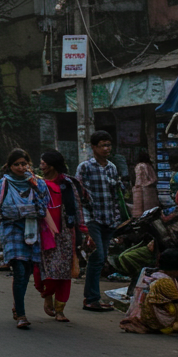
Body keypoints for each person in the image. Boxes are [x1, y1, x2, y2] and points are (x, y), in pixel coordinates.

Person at [0, 149, 49, 330]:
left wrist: (35, 185)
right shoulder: (4, 183)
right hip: (11, 228)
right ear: (10, 166)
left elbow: (44, 203)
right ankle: (22, 314)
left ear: (29, 165)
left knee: (27, 269)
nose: (20, 167)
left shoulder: (37, 182)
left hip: (31, 227)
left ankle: (17, 305)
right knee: (18, 268)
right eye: (16, 164)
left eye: (23, 164)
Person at [33, 151, 85, 324]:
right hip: (43, 232)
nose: (41, 166)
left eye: (43, 163)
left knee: (64, 272)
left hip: (65, 233)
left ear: (51, 166)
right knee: (44, 269)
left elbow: (77, 206)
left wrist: (82, 228)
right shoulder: (37, 184)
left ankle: (60, 310)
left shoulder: (67, 184)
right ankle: (47, 294)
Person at [75, 130, 121, 313]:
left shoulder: (112, 168)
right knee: (97, 257)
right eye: (103, 145)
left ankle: (92, 297)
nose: (106, 149)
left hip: (109, 219)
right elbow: (79, 196)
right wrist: (84, 222)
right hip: (92, 219)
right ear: (94, 147)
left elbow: (115, 195)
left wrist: (116, 218)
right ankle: (91, 298)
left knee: (100, 260)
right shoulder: (85, 167)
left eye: (108, 145)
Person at [130, 149, 157, 217]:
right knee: (151, 210)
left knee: (141, 211)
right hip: (151, 189)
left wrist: (136, 186)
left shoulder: (140, 166)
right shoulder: (149, 165)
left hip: (142, 190)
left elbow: (139, 178)